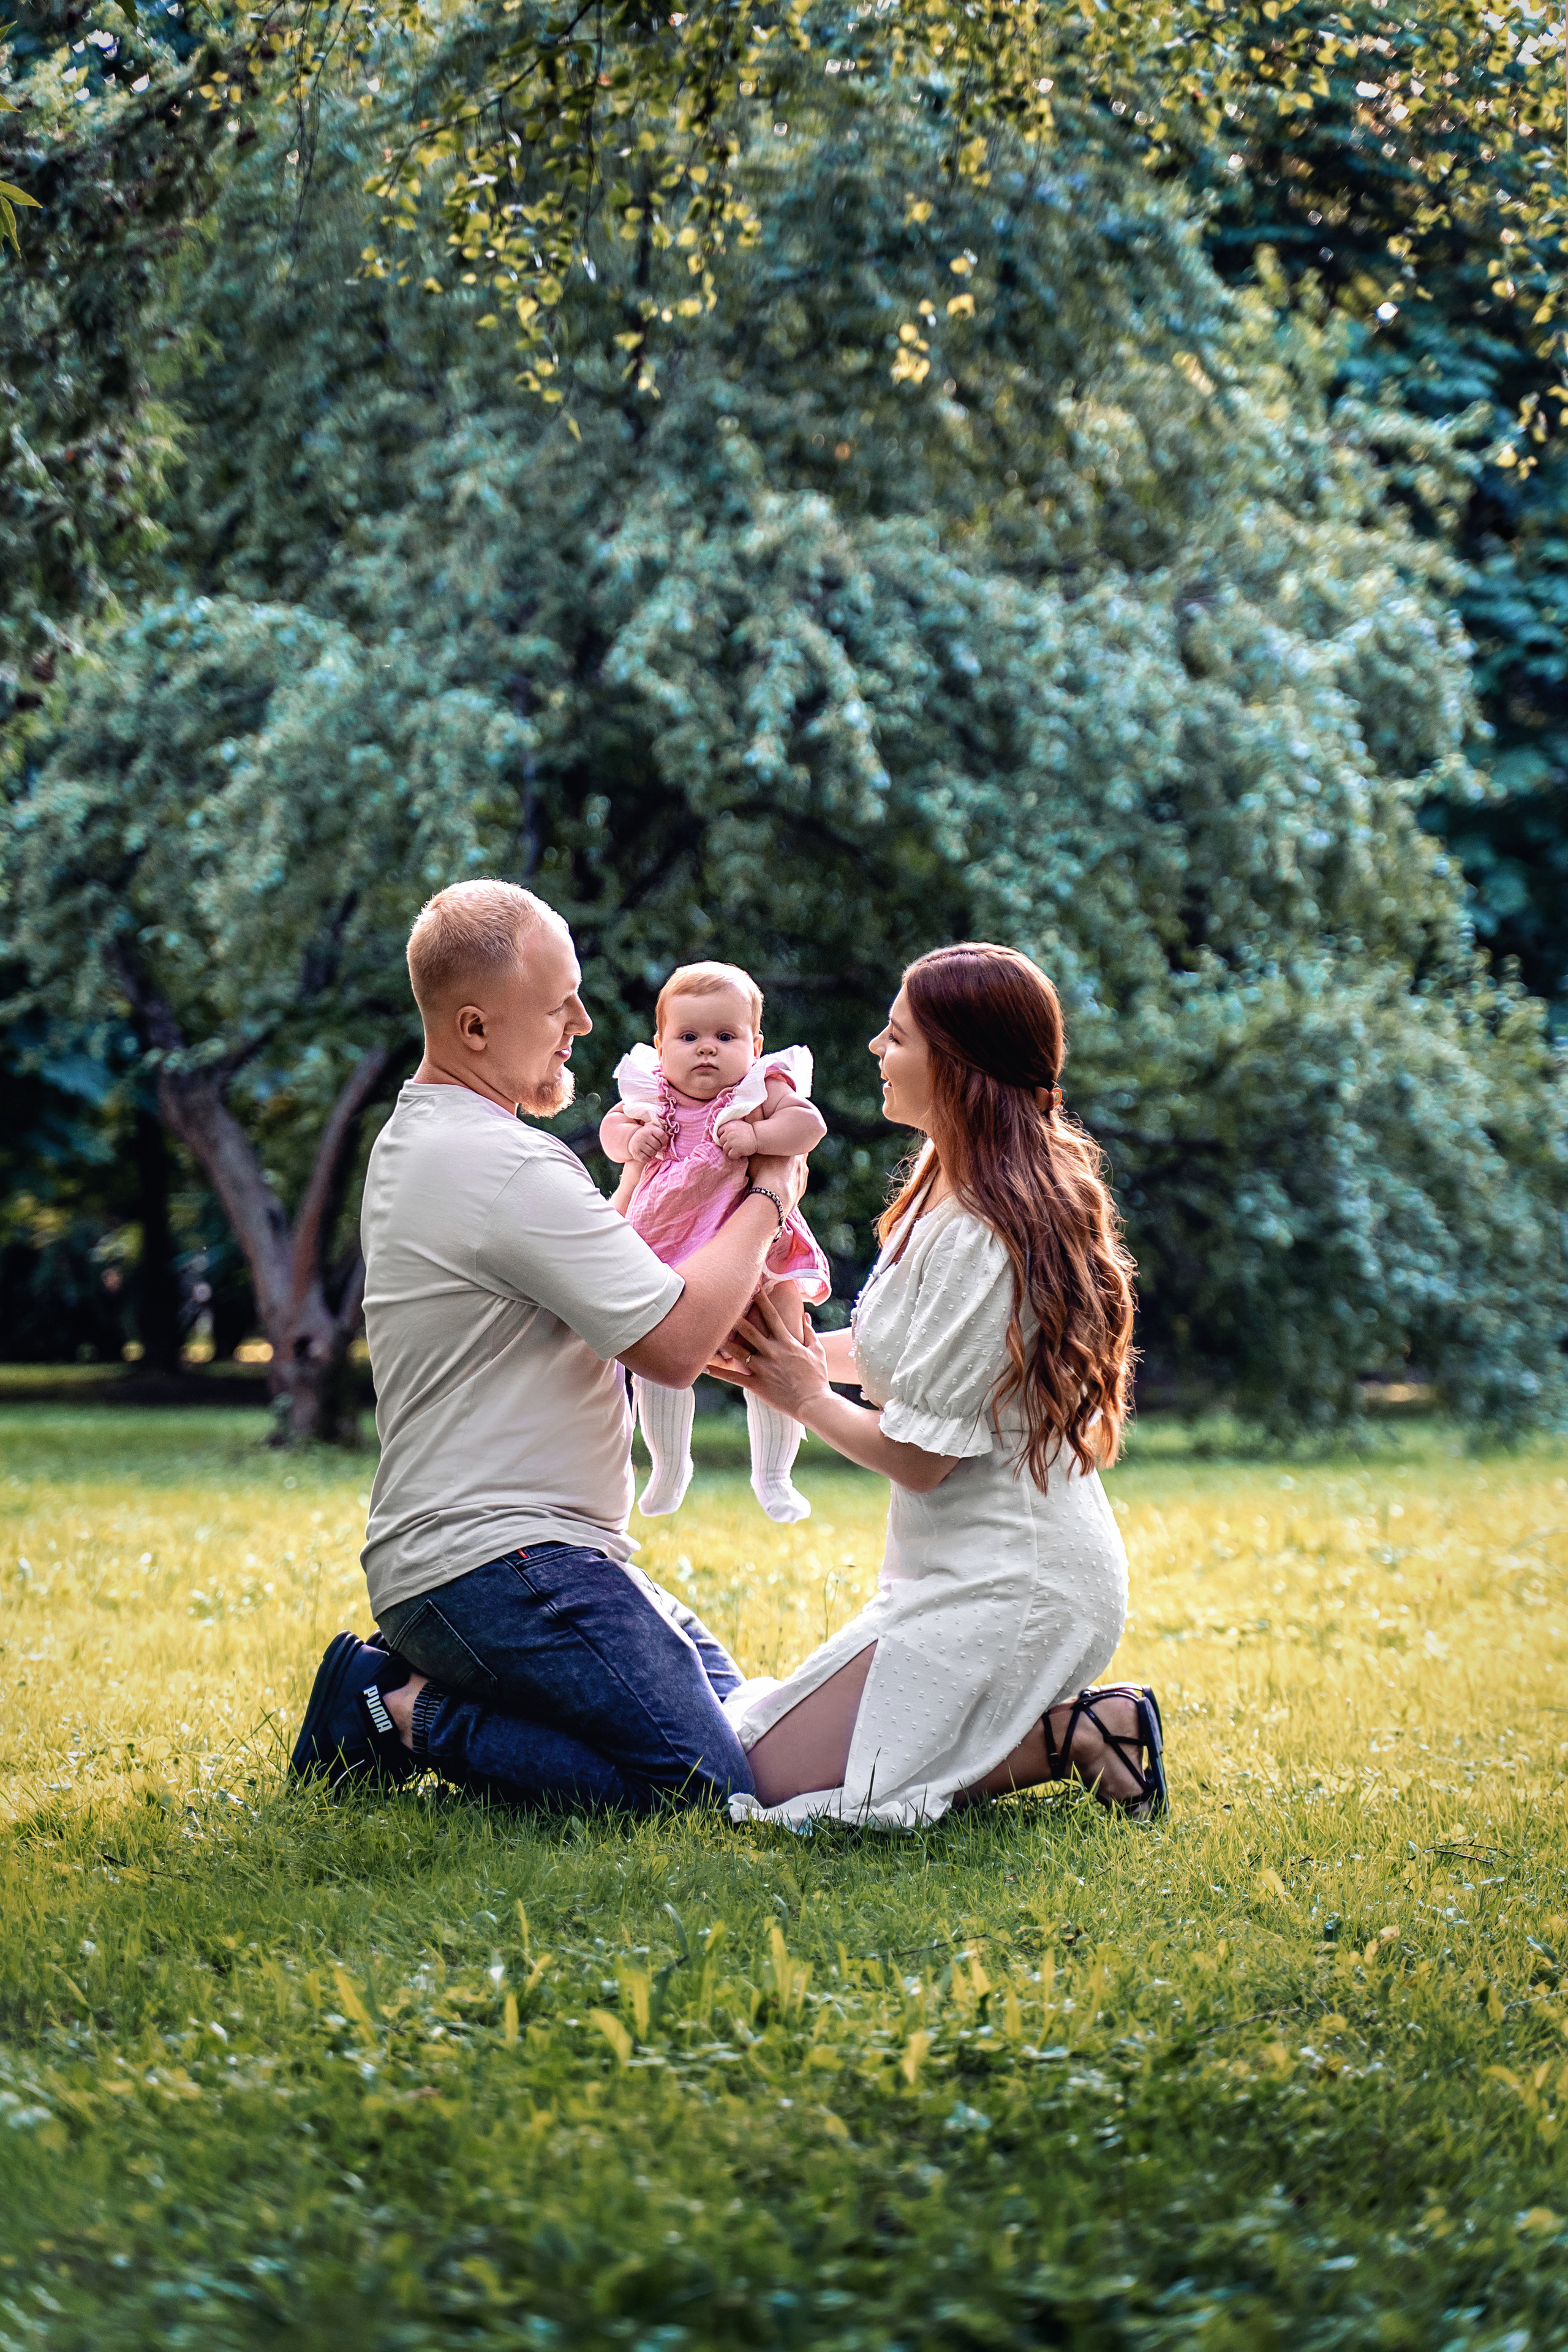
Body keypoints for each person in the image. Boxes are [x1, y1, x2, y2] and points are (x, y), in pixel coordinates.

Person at [289, 880, 807, 1809]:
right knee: (703, 1787)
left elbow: (626, 1289)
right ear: (477, 1029)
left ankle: (426, 1684)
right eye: (558, 1001)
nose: (582, 1019)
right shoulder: (504, 1165)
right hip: (499, 1563)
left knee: (737, 1723)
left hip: (524, 1558)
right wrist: (771, 1189)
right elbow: (677, 1343)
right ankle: (389, 1709)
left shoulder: (433, 1137)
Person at [709, 942, 1167, 1827]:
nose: (877, 1052)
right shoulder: (949, 1191)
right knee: (751, 1750)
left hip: (1013, 1583)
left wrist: (804, 1396)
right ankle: (1050, 1729)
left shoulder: (985, 1230)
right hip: (956, 1573)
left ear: (957, 1066)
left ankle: (1085, 1730)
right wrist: (762, 1350)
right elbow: (910, 1364)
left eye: (897, 1037)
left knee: (771, 1788)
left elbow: (923, 1460)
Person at [600, 960, 830, 1525]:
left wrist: (758, 1135)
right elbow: (610, 1135)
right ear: (660, 1044)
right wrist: (635, 1139)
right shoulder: (651, 1092)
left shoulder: (760, 1091)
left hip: (758, 1251)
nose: (707, 1050)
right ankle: (669, 1466)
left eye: (726, 1037)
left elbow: (810, 1129)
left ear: (755, 1045)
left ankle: (775, 1475)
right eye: (689, 1037)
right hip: (666, 1243)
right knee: (655, 1363)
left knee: (779, 1350)